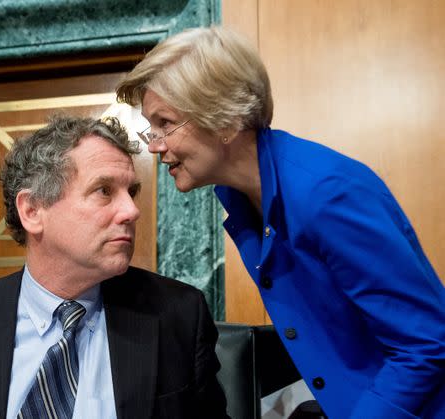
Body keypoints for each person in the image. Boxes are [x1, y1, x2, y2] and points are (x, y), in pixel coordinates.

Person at [116, 26, 445, 419]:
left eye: (165, 123)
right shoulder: (245, 201)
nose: (154, 145)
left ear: (224, 119)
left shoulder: (326, 194)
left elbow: (425, 344)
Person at [0, 115, 228, 419]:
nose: (131, 211)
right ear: (33, 210)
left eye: (131, 192)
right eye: (104, 191)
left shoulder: (177, 316)